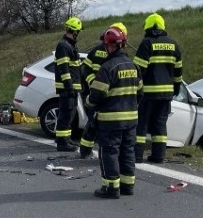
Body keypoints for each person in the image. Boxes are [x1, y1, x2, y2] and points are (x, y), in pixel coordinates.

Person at [85, 27, 142, 198]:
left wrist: (88, 103)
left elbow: (96, 95)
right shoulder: (134, 66)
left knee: (109, 151)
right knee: (128, 151)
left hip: (111, 120)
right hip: (131, 119)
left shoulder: (107, 68)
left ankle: (111, 188)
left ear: (108, 46)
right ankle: (127, 186)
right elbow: (140, 93)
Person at [133, 13, 183, 163]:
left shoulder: (146, 43)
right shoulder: (174, 44)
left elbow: (138, 71)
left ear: (148, 27)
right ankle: (158, 156)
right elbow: (178, 72)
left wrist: (135, 91)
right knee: (160, 125)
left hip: (147, 94)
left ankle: (137, 156)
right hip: (166, 94)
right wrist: (176, 90)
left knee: (141, 125)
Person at [78, 22, 128, 159]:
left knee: (96, 125)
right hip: (100, 94)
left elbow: (86, 69)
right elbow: (85, 69)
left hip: (105, 94)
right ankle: (87, 151)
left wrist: (92, 82)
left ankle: (91, 151)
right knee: (95, 124)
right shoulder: (101, 52)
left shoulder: (99, 51)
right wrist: (93, 83)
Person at [53, 17, 83, 151]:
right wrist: (69, 86)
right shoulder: (64, 46)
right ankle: (62, 143)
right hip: (67, 88)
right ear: (74, 31)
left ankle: (66, 139)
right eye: (78, 32)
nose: (78, 34)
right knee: (66, 114)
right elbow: (64, 69)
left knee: (70, 114)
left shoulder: (70, 46)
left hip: (72, 88)